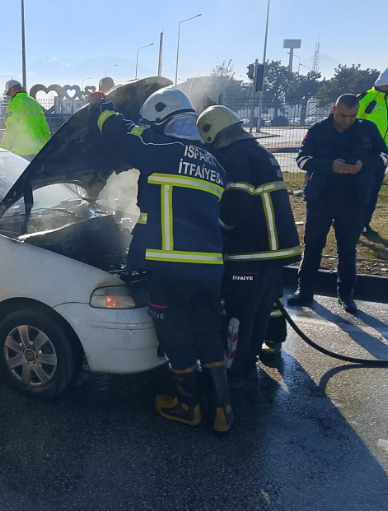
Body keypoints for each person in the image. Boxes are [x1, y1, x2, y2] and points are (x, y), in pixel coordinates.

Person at [91, 86, 232, 432]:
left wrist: (101, 106)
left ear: (161, 119)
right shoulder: (215, 165)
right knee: (207, 333)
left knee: (177, 335)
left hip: (170, 266)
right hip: (210, 269)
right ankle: (222, 410)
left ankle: (188, 406)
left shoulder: (160, 148)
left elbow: (121, 131)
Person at [197, 105, 301, 388]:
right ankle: (246, 365)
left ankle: (232, 375)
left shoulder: (233, 156)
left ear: (212, 135)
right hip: (274, 252)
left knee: (237, 316)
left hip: (251, 252)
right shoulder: (258, 152)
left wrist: (208, 221)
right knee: (257, 313)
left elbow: (233, 211)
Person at [289, 94, 388, 314]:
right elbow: (302, 159)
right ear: (334, 109)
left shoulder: (368, 129)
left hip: (353, 200)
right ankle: (304, 291)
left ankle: (346, 295)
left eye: (352, 116)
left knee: (347, 249)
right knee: (313, 246)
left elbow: (384, 156)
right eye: (344, 115)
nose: (348, 120)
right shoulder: (318, 130)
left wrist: (364, 165)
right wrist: (328, 166)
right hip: (321, 200)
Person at [357, 68, 388, 237]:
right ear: (382, 84)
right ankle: (353, 222)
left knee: (373, 191)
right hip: (364, 153)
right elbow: (349, 121)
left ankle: (364, 224)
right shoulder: (365, 98)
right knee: (362, 190)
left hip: (383, 155)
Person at [0, 80, 51, 161]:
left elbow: (11, 127)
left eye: (9, 93)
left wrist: (3, 149)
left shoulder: (15, 102)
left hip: (22, 153)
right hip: (38, 150)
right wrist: (48, 147)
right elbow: (44, 128)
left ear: (14, 90)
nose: (10, 96)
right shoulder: (34, 102)